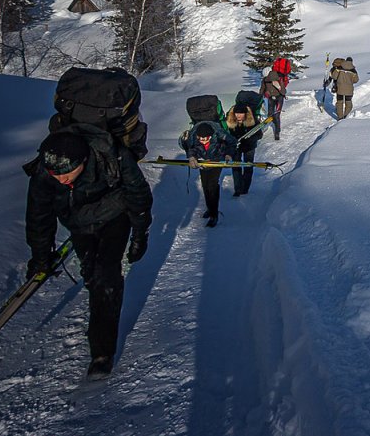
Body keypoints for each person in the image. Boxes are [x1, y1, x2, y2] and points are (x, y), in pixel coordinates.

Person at [25, 128, 153, 378]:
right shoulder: (44, 171)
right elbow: (39, 216)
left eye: (67, 173)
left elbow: (138, 194)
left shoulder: (112, 156)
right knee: (93, 275)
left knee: (106, 277)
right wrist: (40, 256)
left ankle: (102, 353)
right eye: (55, 174)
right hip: (78, 223)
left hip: (115, 216)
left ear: (83, 160)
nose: (61, 179)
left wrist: (139, 235)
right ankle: (98, 291)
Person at [184, 122, 234, 227]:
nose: (203, 141)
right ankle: (209, 208)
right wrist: (192, 157)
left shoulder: (219, 134)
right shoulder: (193, 137)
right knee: (205, 186)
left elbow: (233, 142)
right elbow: (190, 148)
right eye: (201, 139)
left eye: (206, 138)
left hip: (217, 161)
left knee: (212, 186)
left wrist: (228, 154)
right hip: (203, 163)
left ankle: (214, 215)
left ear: (211, 136)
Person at [225, 103, 263, 196]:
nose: (238, 115)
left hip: (249, 146)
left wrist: (250, 139)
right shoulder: (230, 122)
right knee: (236, 166)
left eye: (241, 113)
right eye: (236, 113)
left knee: (248, 166)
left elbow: (259, 135)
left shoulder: (253, 121)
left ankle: (245, 188)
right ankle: (238, 189)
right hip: (236, 147)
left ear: (245, 114)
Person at [260, 68, 286, 140]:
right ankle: (274, 124)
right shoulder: (265, 80)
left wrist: (279, 87)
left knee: (277, 115)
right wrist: (260, 96)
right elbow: (262, 89)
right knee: (270, 114)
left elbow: (284, 92)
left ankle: (277, 132)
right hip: (271, 98)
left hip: (279, 98)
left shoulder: (279, 79)